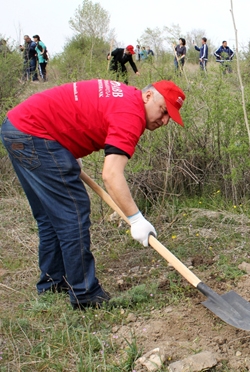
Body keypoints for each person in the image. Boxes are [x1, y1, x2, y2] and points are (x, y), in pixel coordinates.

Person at [1, 79, 186, 309]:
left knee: (50, 216)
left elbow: (81, 109)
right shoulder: (132, 114)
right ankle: (85, 294)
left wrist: (64, 148)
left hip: (16, 128)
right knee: (73, 213)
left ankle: (53, 284)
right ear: (148, 96)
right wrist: (136, 219)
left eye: (171, 117)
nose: (165, 120)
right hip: (34, 134)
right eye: (164, 111)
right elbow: (111, 174)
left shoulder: (126, 96)